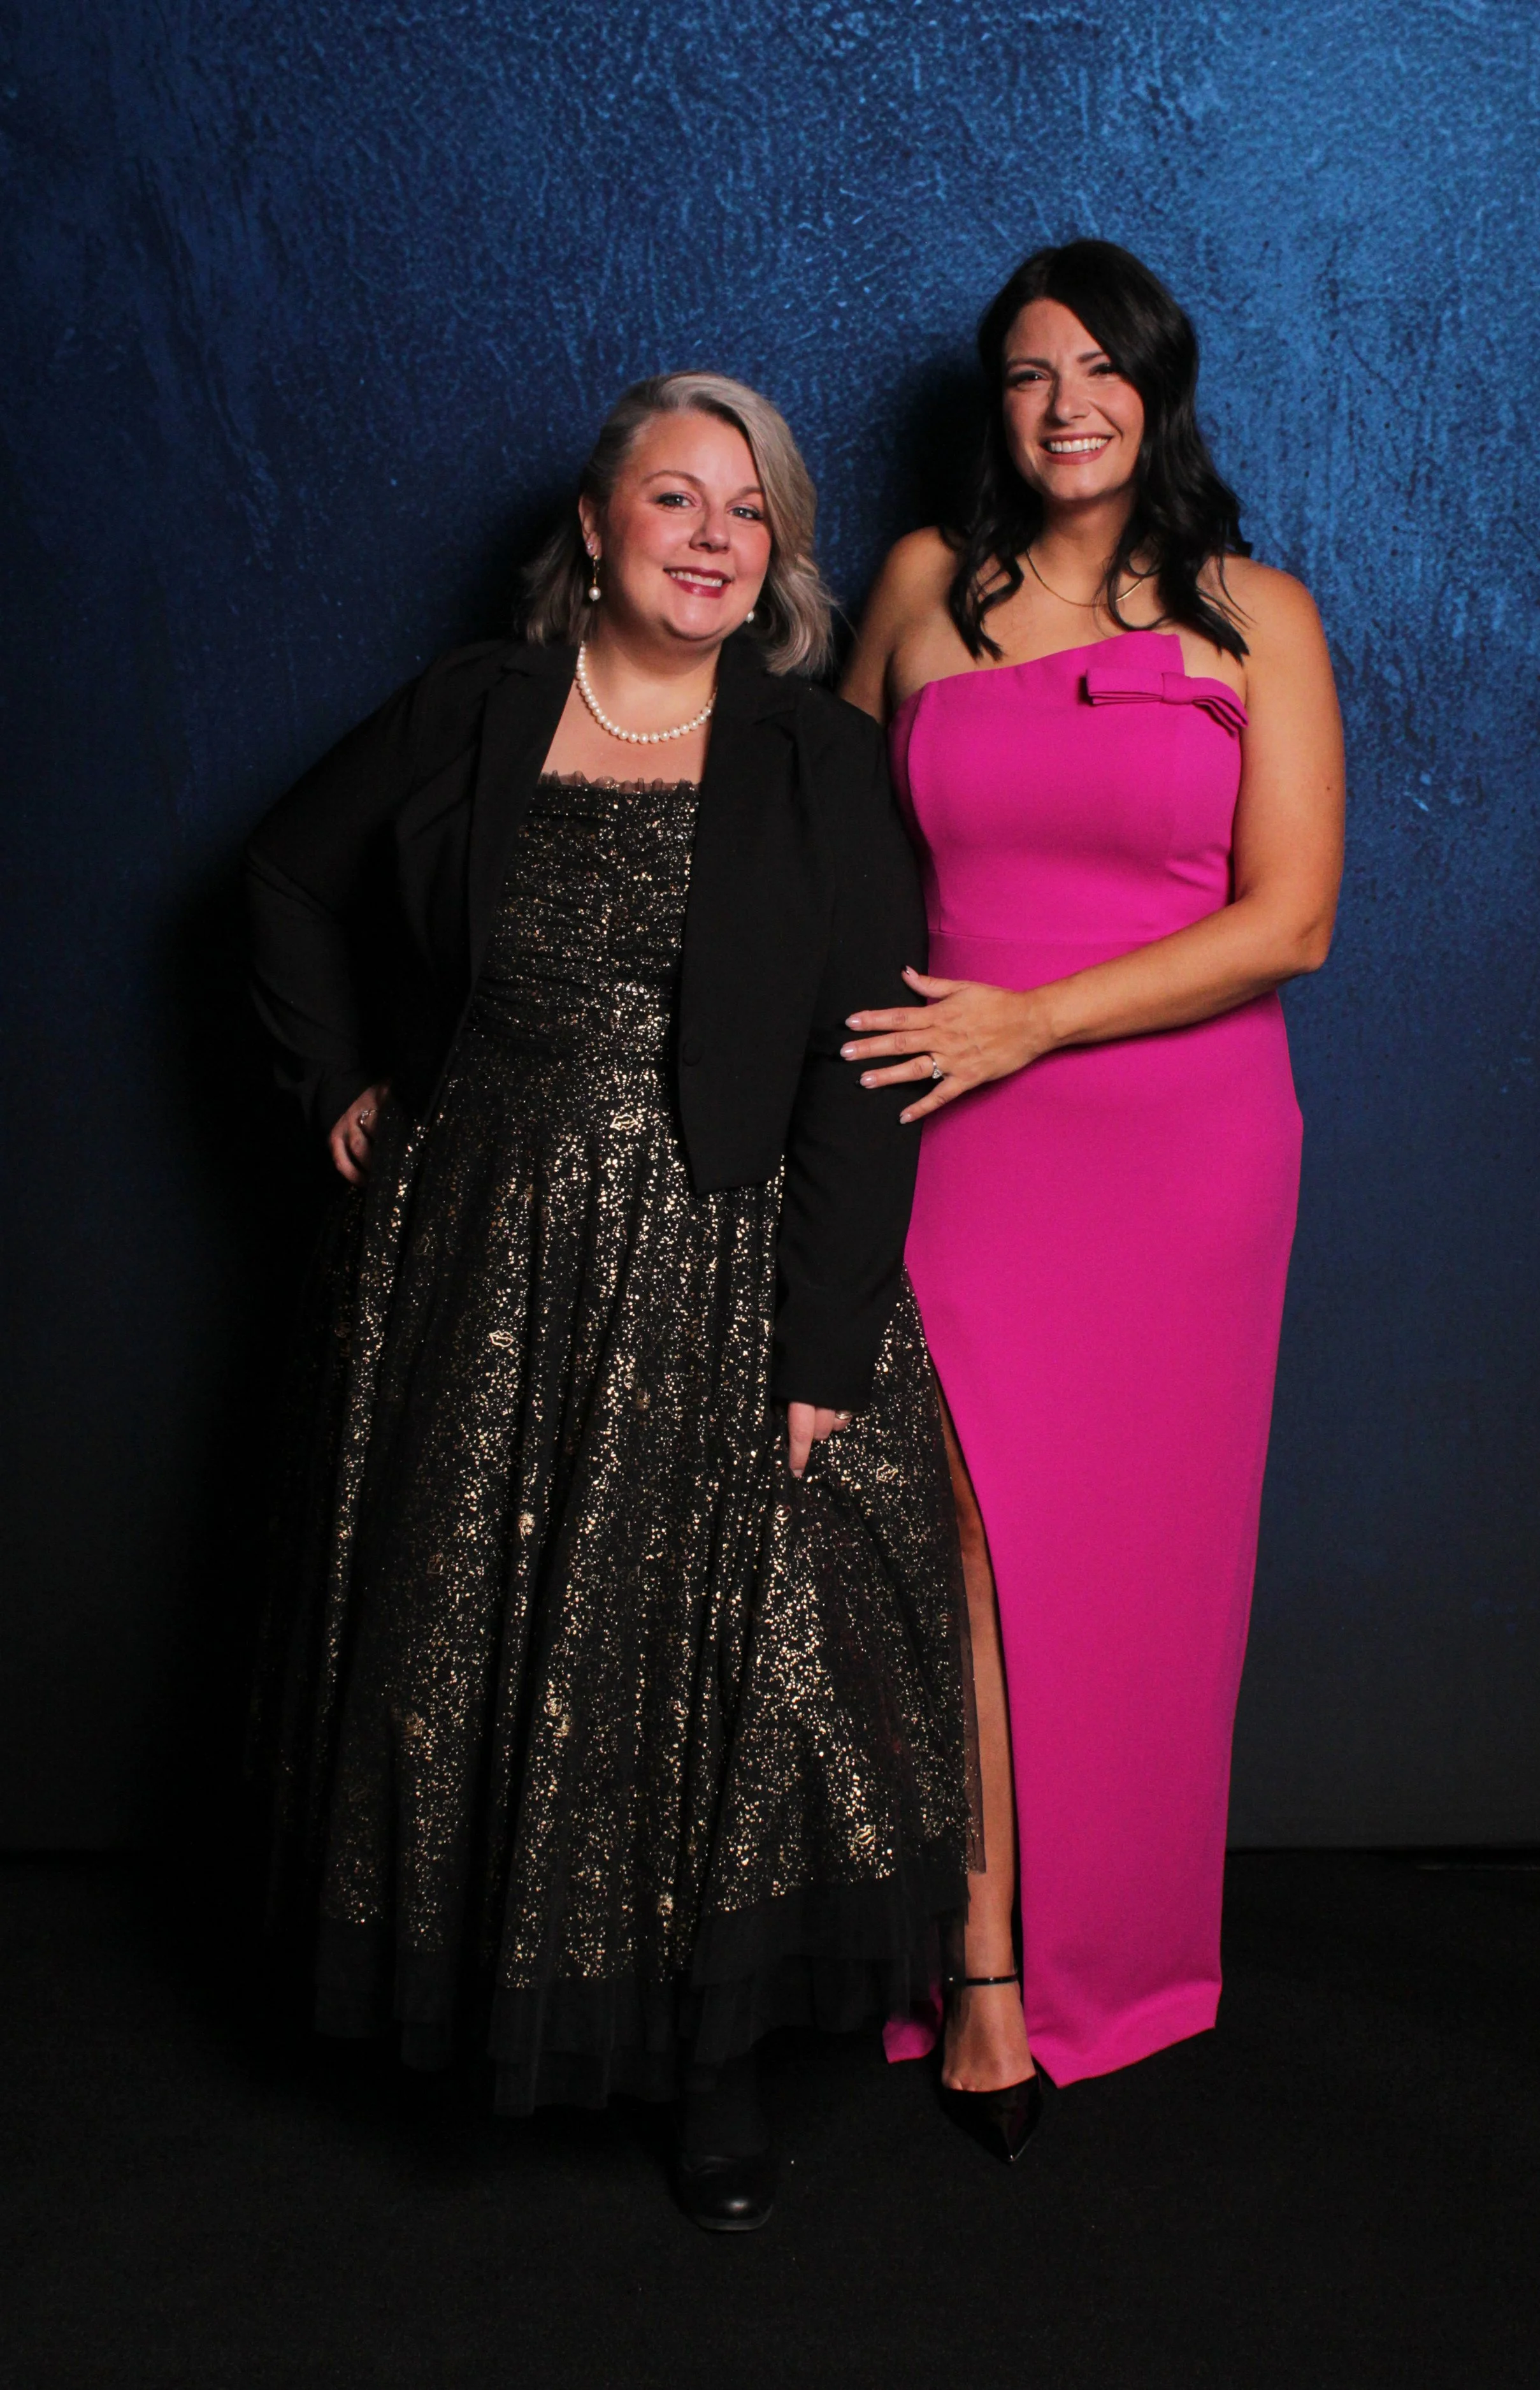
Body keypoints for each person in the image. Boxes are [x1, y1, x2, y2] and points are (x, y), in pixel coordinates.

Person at [246, 372, 974, 2232]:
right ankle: (500, 2014)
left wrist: (823, 1348)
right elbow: (277, 880)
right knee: (483, 1653)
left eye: (751, 509)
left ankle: (705, 2069)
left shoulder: (812, 756)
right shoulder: (475, 711)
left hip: (722, 1262)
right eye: (678, 498)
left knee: (704, 1675)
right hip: (482, 1250)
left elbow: (862, 1064)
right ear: (595, 526)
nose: (719, 534)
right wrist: (337, 1078)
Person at [841, 240, 1344, 2157]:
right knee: (955, 1523)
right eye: (1031, 371)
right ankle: (974, 1963)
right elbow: (799, 833)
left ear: (1157, 393)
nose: (1067, 401)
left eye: (1100, 367)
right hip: (946, 1114)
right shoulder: (911, 590)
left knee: (1139, 1563)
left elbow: (1286, 919)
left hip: (1174, 1135)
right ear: (1001, 404)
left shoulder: (1255, 619)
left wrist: (1030, 1019)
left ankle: (1114, 1961)